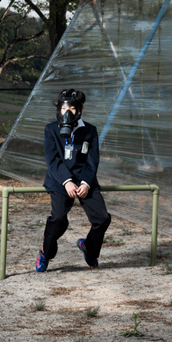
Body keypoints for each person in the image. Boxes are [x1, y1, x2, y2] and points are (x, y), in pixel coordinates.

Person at [36, 89, 111, 272]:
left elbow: (92, 161)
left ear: (80, 109)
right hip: (59, 180)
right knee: (59, 219)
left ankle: (90, 249)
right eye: (63, 108)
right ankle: (46, 252)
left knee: (102, 218)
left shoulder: (90, 131)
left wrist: (85, 183)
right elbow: (52, 160)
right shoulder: (50, 129)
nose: (67, 112)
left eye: (72, 108)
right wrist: (67, 181)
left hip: (85, 180)